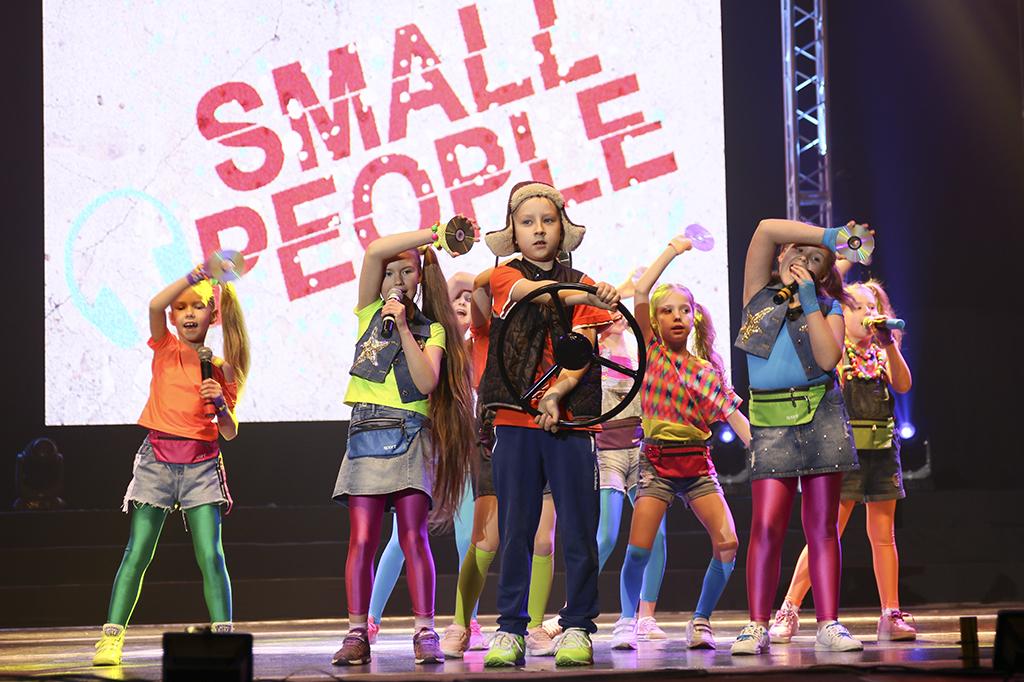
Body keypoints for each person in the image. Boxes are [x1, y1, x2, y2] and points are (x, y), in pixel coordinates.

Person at [477, 181, 617, 667]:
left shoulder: (584, 284)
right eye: (527, 222)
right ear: (513, 233)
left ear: (562, 228)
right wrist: (591, 293)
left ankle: (578, 625)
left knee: (578, 528)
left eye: (548, 221)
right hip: (514, 419)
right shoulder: (504, 277)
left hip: (571, 421)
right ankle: (510, 628)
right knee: (516, 528)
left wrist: (556, 395)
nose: (538, 230)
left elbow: (581, 354)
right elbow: (535, 294)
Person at [92, 265, 250, 666]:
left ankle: (224, 639)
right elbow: (153, 304)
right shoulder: (164, 347)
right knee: (138, 551)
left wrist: (221, 404)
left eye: (197, 306)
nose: (188, 313)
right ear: (173, 317)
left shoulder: (222, 367)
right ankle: (111, 638)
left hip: (202, 465)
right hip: (156, 461)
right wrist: (198, 274)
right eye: (181, 308)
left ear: (214, 314)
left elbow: (230, 432)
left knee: (210, 555)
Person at [330, 229, 475, 666]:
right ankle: (357, 632)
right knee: (361, 539)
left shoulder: (433, 330)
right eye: (390, 272)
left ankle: (424, 630)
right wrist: (433, 233)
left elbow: (427, 381)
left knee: (413, 536)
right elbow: (375, 250)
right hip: (366, 433)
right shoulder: (368, 314)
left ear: (420, 277)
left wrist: (407, 329)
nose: (396, 278)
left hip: (412, 434)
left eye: (407, 271)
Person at [611, 236, 751, 651]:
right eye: (667, 311)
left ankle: (701, 620)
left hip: (697, 465)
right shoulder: (651, 353)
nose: (676, 317)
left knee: (728, 543)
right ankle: (627, 620)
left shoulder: (705, 370)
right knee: (639, 550)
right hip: (656, 464)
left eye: (684, 310)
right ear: (655, 321)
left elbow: (734, 416)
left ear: (694, 317)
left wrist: (764, 452)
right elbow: (641, 289)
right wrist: (673, 249)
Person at [730, 219, 863, 655]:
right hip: (771, 421)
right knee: (766, 524)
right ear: (782, 255)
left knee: (822, 526)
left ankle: (828, 623)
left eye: (817, 259)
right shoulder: (756, 294)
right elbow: (764, 229)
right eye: (798, 250)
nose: (805, 259)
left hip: (821, 414)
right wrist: (829, 238)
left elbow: (827, 358)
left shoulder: (828, 307)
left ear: (824, 274)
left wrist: (809, 299)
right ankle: (756, 625)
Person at [770, 278, 915, 642]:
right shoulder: (836, 351)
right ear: (841, 314)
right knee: (827, 532)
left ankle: (890, 613)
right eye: (857, 307)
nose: (867, 313)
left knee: (884, 535)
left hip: (882, 452)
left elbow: (903, 385)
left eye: (872, 307)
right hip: (843, 452)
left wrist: (889, 345)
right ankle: (789, 608)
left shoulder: (882, 353)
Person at [440, 266, 560, 659]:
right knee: (486, 539)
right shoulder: (486, 329)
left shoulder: (548, 328)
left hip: (544, 426)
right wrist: (505, 280)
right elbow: (474, 284)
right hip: (496, 430)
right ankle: (461, 624)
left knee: (543, 538)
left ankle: (534, 626)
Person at [364, 273, 479, 647]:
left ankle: (467, 622)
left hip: (462, 452)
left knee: (469, 538)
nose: (462, 303)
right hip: (424, 445)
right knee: (402, 539)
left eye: (470, 299)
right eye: (457, 297)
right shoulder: (428, 338)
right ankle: (370, 619)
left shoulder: (479, 347)